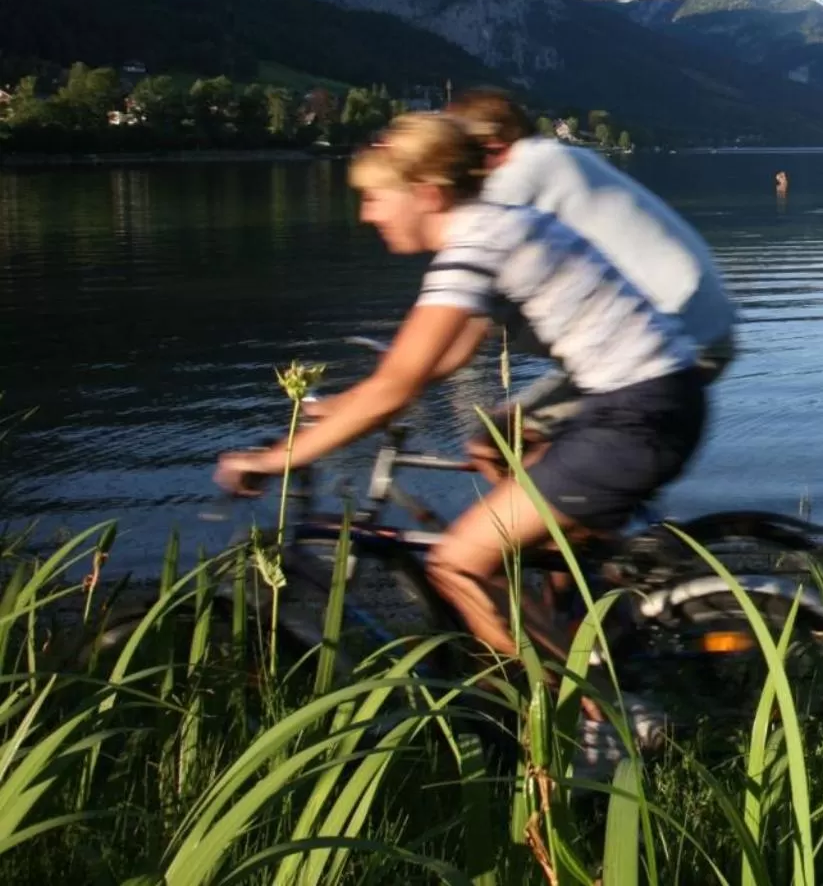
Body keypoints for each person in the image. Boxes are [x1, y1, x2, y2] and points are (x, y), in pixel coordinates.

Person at [213, 113, 708, 663]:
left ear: (427, 194)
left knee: (457, 563)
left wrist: (274, 460)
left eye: (375, 197)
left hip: (634, 418)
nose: (366, 213)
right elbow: (443, 357)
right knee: (512, 483)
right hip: (651, 399)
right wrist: (338, 409)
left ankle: (591, 706)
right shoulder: (495, 227)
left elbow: (395, 388)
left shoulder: (476, 246)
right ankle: (597, 622)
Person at [443, 89, 736, 466]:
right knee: (513, 436)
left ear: (492, 145)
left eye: (455, 159)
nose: (453, 173)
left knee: (510, 436)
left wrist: (404, 378)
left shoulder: (521, 173)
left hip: (675, 338)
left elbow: (470, 282)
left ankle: (558, 499)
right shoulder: (559, 157)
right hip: (688, 328)